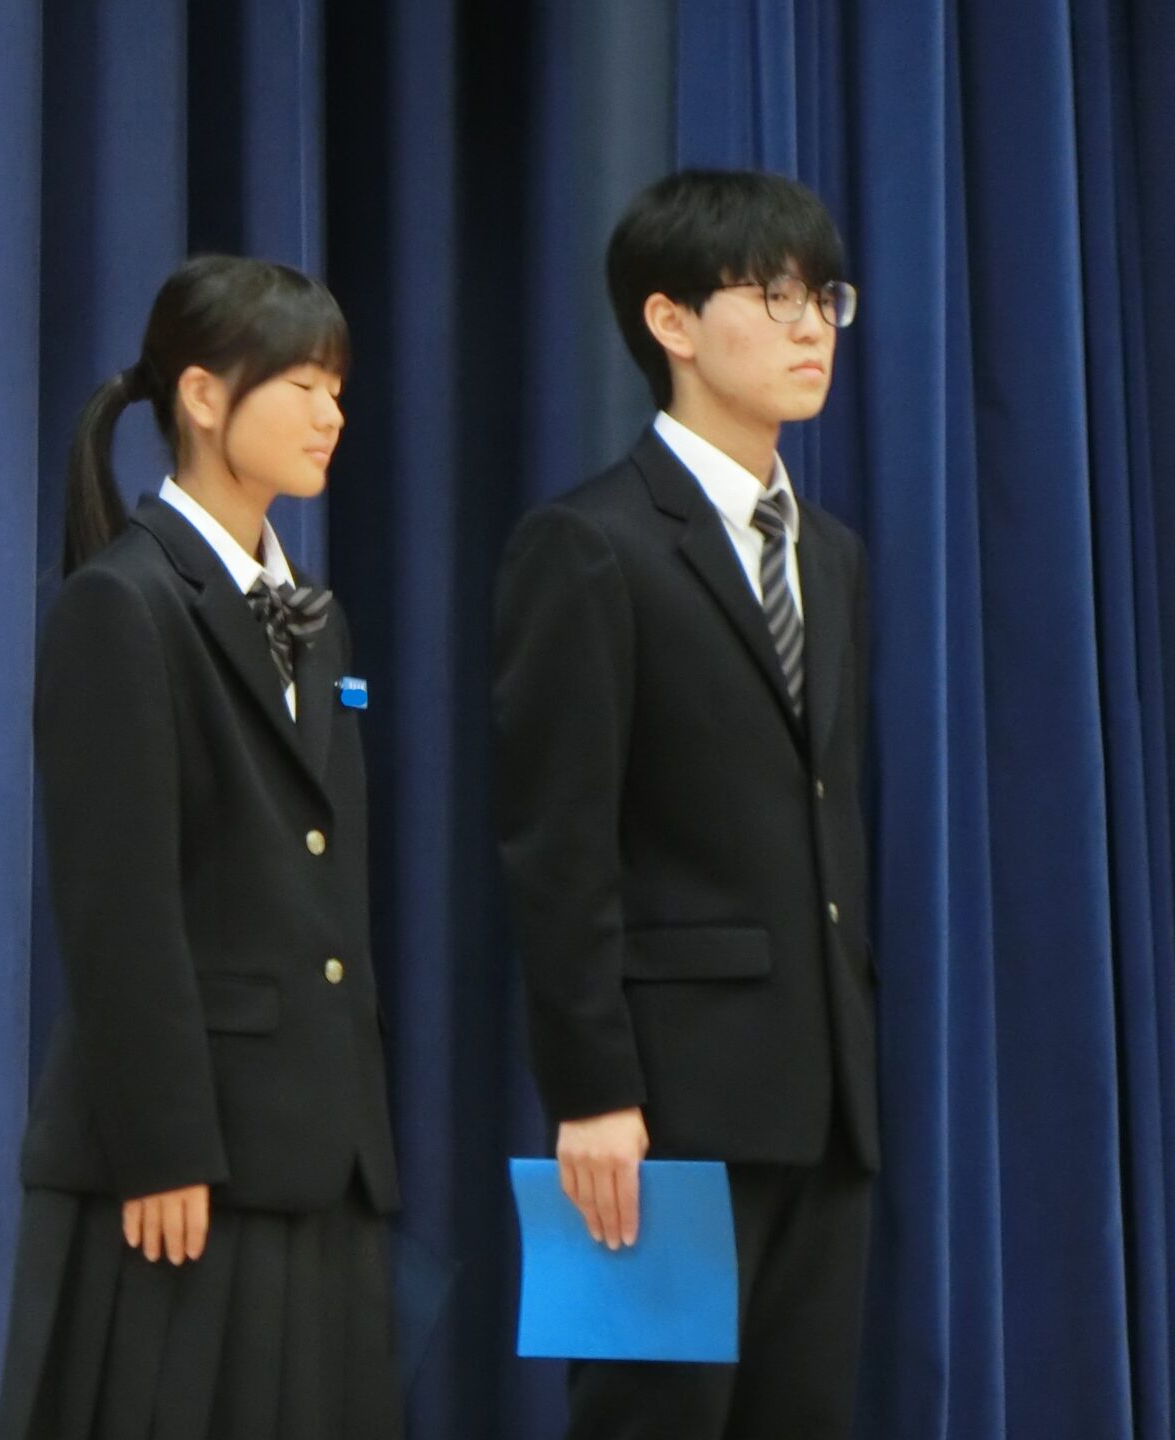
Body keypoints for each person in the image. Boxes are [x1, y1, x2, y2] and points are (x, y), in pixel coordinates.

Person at [492, 170, 878, 1438]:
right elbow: (558, 844)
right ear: (671, 322)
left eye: (825, 298)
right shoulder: (589, 542)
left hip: (823, 1099)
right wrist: (593, 1091)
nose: (812, 327)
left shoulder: (829, 552)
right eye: (773, 296)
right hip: (657, 1110)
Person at [0, 255, 403, 1440]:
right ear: (205, 396)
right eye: (303, 385)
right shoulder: (122, 604)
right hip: (186, 1163)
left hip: (318, 1150)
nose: (331, 414)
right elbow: (117, 907)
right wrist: (165, 1144)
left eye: (339, 389)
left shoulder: (314, 614)